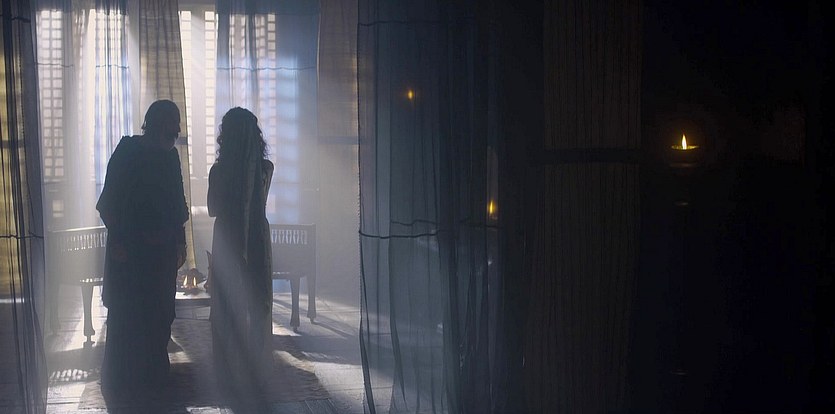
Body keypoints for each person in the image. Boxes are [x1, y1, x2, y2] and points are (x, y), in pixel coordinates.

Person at [96, 99, 189, 398]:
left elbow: (177, 205)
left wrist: (180, 242)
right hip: (130, 253)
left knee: (159, 316)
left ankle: (153, 376)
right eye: (171, 125)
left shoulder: (170, 158)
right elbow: (109, 203)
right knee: (128, 316)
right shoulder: (127, 151)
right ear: (156, 124)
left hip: (160, 255)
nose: (175, 131)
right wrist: (120, 241)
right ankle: (123, 379)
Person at [207, 107, 274, 399]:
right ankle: (257, 369)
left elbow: (213, 208)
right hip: (257, 236)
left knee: (226, 306)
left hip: (227, 237)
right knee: (258, 302)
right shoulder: (266, 168)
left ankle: (227, 371)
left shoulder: (219, 171)